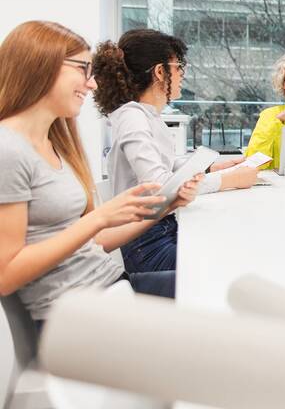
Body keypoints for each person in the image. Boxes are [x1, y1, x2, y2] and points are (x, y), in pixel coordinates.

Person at [0, 21, 190, 322]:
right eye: (82, 69)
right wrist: (99, 218)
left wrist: (168, 204)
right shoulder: (8, 149)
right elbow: (6, 274)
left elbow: (91, 243)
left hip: (110, 287)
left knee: (217, 283)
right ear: (41, 64)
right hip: (75, 315)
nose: (93, 83)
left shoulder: (56, 144)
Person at [92, 29, 260, 274]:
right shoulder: (132, 116)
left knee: (235, 248)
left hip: (159, 232)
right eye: (178, 66)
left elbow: (164, 166)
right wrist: (228, 180)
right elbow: (160, 186)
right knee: (233, 264)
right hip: (148, 244)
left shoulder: (146, 115)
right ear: (160, 72)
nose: (182, 74)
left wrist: (210, 168)